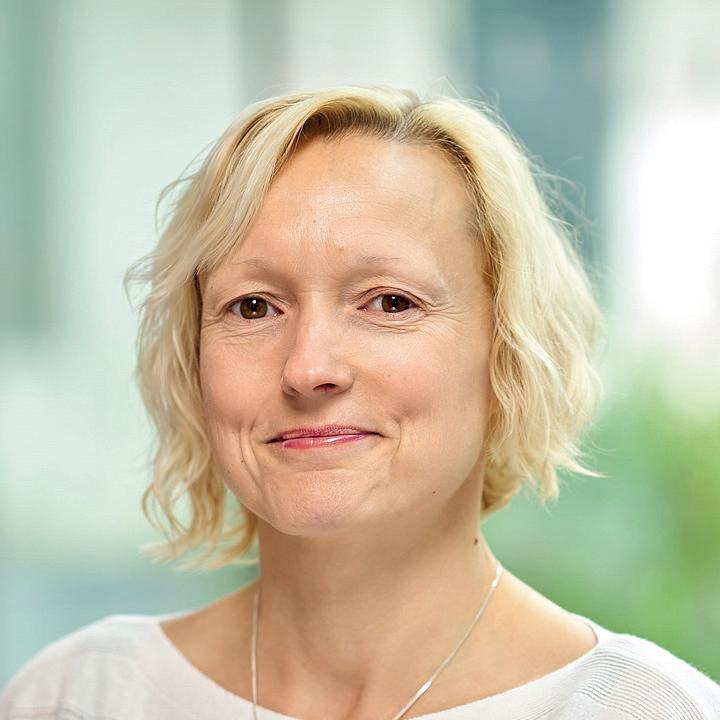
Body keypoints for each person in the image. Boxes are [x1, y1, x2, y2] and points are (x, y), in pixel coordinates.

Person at [1, 85, 719, 720]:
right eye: (253, 306)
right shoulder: (77, 697)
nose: (308, 368)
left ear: (508, 352)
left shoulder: (646, 711)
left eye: (389, 302)